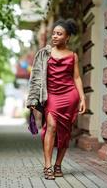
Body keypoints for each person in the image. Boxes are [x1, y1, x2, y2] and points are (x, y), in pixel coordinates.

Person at [26, 18, 86, 180]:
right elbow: (36, 78)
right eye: (53, 33)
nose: (55, 36)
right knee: (51, 126)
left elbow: (77, 78)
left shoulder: (73, 56)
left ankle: (58, 164)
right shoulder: (45, 54)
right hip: (51, 95)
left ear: (67, 37)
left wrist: (82, 98)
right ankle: (48, 166)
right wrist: (32, 99)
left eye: (59, 34)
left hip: (69, 96)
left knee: (65, 132)